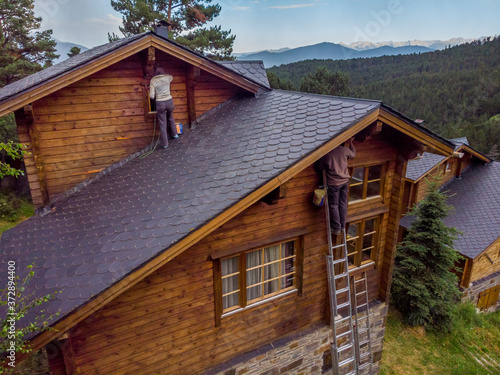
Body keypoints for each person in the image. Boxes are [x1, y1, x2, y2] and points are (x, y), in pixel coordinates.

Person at [318, 138, 356, 235]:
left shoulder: (327, 153)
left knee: (334, 205)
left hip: (333, 183)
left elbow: (320, 167)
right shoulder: (343, 150)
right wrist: (351, 143)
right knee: (343, 203)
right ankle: (342, 226)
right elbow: (353, 154)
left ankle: (336, 228)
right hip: (345, 181)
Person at [150, 66, 179, 149]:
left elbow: (152, 96)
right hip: (169, 101)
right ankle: (175, 134)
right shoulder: (168, 78)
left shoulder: (153, 80)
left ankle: (165, 144)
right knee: (170, 117)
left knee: (162, 123)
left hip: (160, 103)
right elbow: (171, 77)